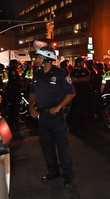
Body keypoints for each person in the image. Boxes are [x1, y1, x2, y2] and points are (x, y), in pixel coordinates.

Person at [29, 46, 76, 185]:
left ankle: (67, 174)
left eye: (39, 57)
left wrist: (58, 107)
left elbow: (71, 93)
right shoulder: (37, 75)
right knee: (46, 146)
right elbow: (32, 92)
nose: (36, 59)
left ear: (47, 59)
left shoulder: (60, 74)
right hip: (42, 117)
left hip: (57, 117)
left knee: (62, 146)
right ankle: (53, 171)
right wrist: (31, 105)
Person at [70, 57, 91, 130]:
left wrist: (77, 79)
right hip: (76, 92)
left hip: (84, 92)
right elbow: (71, 79)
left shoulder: (86, 71)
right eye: (82, 62)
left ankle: (81, 123)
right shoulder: (73, 71)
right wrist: (81, 79)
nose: (83, 64)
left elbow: (87, 79)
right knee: (76, 109)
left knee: (83, 108)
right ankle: (75, 124)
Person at [7, 59, 22, 125]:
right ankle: (14, 120)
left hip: (13, 90)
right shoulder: (12, 72)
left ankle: (13, 119)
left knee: (13, 106)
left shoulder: (12, 71)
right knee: (15, 106)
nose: (17, 65)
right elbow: (16, 81)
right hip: (14, 91)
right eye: (16, 64)